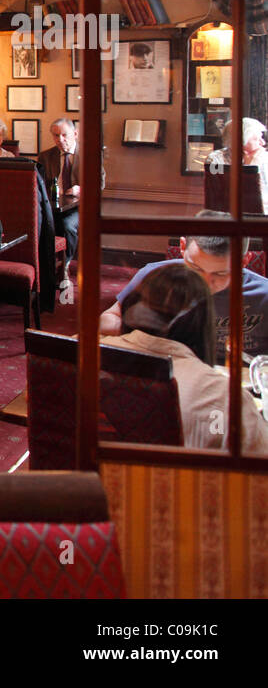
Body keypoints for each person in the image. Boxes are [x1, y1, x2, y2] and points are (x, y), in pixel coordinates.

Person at [101, 265, 268, 454]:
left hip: (82, 480)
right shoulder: (224, 398)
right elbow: (258, 471)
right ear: (203, 324)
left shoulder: (79, 354)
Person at [100, 211, 268, 358]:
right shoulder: (155, 277)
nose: (205, 283)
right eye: (195, 268)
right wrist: (146, 331)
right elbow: (106, 320)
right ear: (182, 247)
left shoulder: (264, 294)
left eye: (221, 273)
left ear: (245, 260)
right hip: (170, 370)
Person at [36, 117, 106, 263]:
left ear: (75, 134)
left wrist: (80, 189)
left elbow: (99, 183)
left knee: (67, 225)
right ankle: (44, 264)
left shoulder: (89, 154)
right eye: (56, 135)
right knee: (39, 222)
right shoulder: (46, 156)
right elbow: (38, 183)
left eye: (64, 135)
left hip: (80, 207)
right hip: (55, 205)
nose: (60, 140)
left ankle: (64, 264)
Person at [208, 118, 268, 212]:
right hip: (229, 216)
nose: (263, 143)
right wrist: (250, 166)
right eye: (257, 139)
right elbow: (220, 195)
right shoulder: (215, 159)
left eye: (262, 138)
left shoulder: (265, 158)